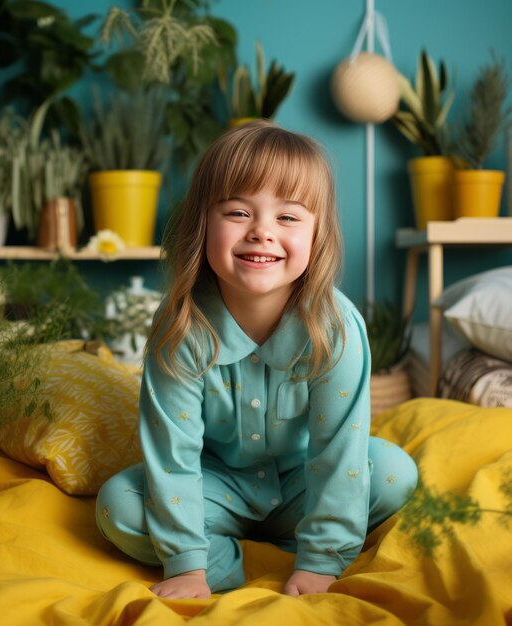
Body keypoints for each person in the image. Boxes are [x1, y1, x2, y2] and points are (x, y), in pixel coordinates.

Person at [96, 120, 418, 599]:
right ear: (202, 222)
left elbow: (336, 453)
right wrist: (188, 569)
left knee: (393, 473)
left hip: (301, 485)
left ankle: (302, 543)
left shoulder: (336, 328)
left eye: (288, 218)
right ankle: (228, 562)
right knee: (118, 505)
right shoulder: (181, 326)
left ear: (317, 235)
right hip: (215, 489)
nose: (262, 232)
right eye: (238, 212)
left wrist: (321, 563)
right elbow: (172, 459)